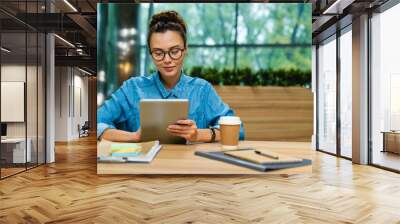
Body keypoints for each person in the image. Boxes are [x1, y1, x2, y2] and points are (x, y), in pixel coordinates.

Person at [97, 10, 244, 143]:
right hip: (143, 169)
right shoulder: (132, 88)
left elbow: (238, 129)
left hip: (188, 168)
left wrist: (199, 134)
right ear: (150, 54)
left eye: (174, 51)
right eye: (159, 53)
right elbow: (96, 122)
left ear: (185, 49)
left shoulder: (202, 90)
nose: (167, 60)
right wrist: (134, 137)